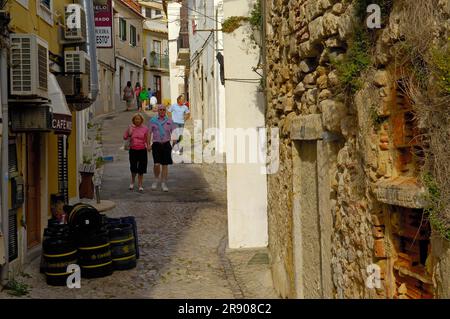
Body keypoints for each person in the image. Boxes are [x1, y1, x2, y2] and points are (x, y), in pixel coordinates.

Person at [148, 105, 177, 192]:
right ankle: (156, 179)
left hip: (166, 144)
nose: (162, 111)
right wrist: (148, 144)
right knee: (156, 164)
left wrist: (174, 142)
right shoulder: (152, 121)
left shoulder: (169, 121)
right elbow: (149, 133)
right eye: (160, 110)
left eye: (163, 110)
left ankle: (163, 182)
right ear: (158, 111)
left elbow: (174, 132)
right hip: (156, 144)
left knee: (165, 164)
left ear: (165, 111)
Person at [123, 113, 149, 192]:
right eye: (136, 119)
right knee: (133, 167)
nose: (137, 120)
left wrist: (148, 146)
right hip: (133, 150)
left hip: (142, 150)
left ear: (141, 120)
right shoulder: (130, 127)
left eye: (139, 119)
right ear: (133, 120)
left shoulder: (145, 128)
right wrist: (129, 131)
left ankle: (140, 184)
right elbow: (124, 137)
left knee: (141, 168)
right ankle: (132, 182)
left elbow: (147, 138)